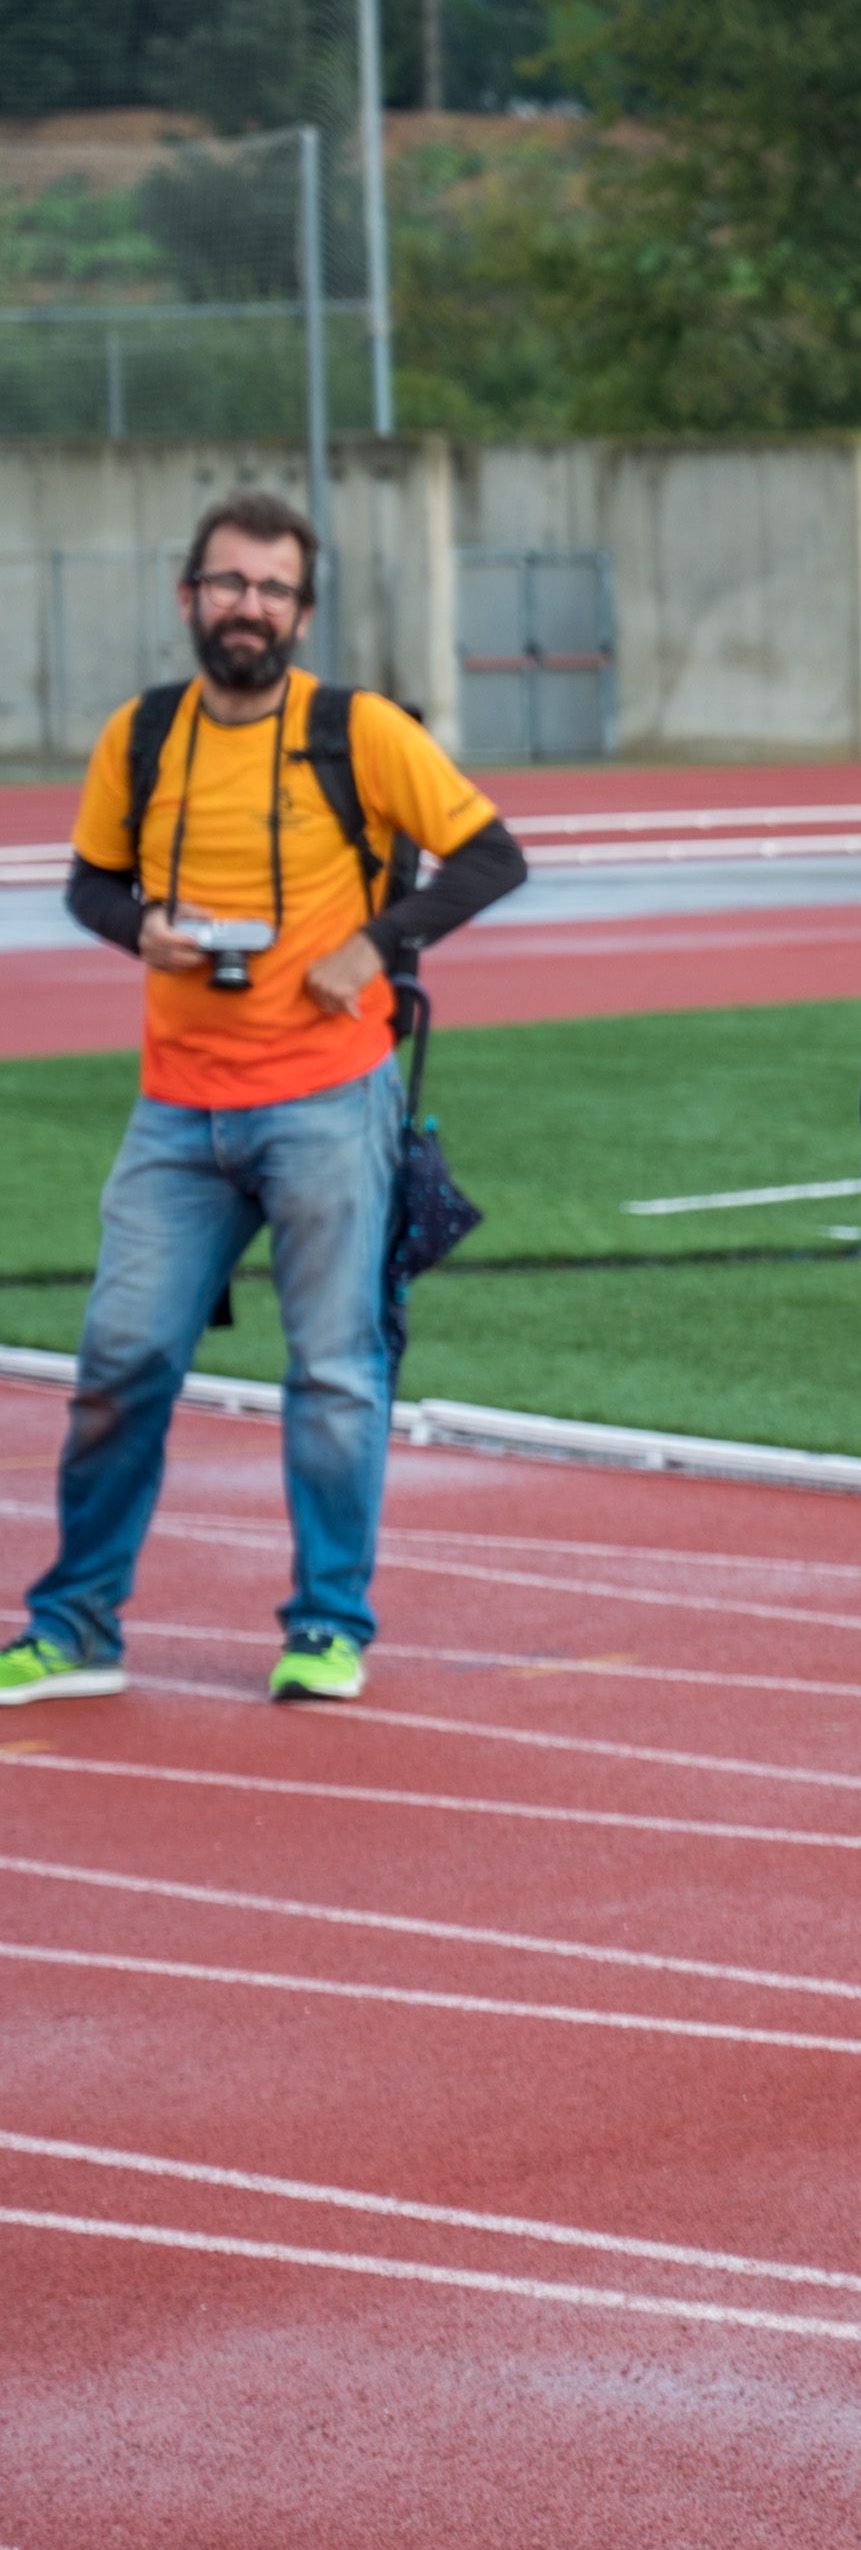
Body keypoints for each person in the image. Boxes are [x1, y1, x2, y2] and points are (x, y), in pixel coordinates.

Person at [2, 488, 526, 1709]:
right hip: (175, 1111)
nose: (250, 606)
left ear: (302, 611)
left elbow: (493, 856)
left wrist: (380, 943)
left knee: (337, 1372)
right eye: (230, 583)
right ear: (189, 597)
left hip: (330, 1101)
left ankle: (328, 1624)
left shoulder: (360, 732)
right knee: (121, 1359)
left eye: (274, 589)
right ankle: (77, 1626)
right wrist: (145, 930)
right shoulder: (141, 737)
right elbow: (87, 881)